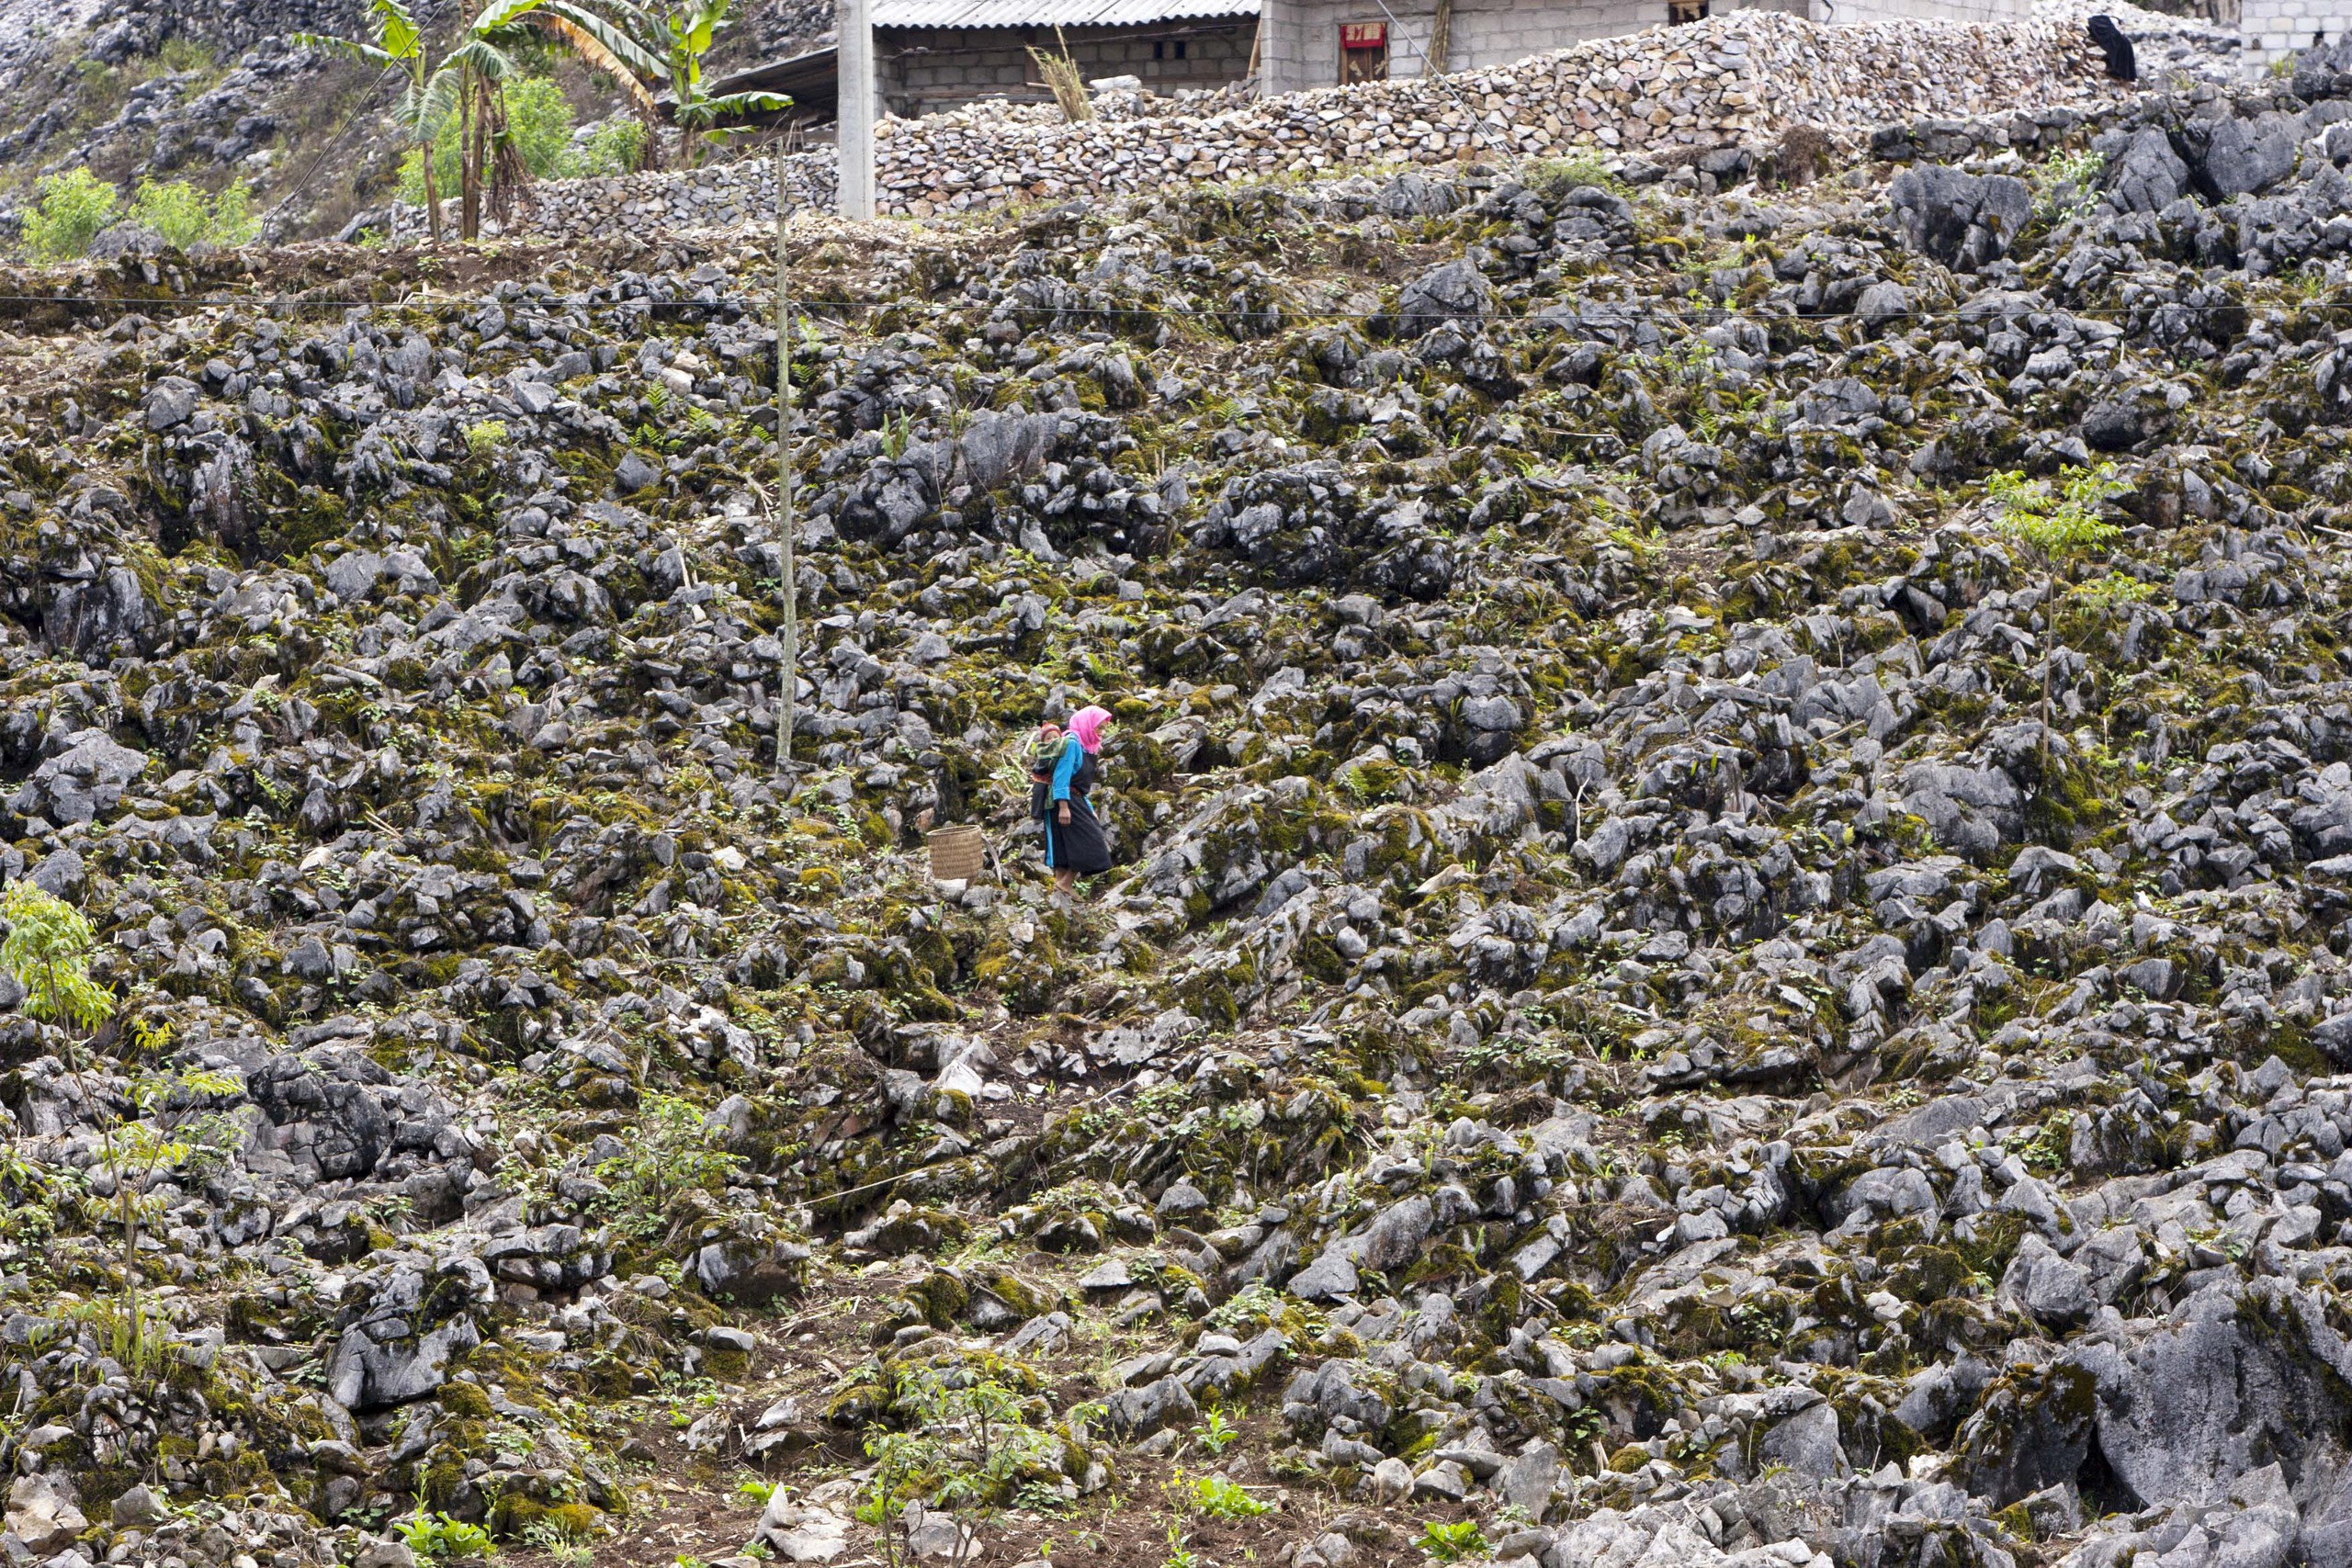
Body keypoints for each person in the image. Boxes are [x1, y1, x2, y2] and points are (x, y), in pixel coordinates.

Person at [1046, 705, 1114, 894]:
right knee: (1092, 840)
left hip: (1076, 798)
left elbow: (1082, 784)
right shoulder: (1073, 743)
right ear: (1088, 724)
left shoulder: (1089, 746)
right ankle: (1065, 883)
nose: (1102, 732)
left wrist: (1089, 806)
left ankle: (1059, 890)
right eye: (1099, 727)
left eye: (1104, 728)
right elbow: (1061, 776)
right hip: (1065, 799)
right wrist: (1063, 806)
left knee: (1065, 843)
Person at [1026, 720, 1064, 845]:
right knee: (1039, 791)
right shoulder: (1043, 751)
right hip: (1043, 780)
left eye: (1055, 737)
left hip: (1054, 783)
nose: (1052, 740)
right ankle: (1036, 814)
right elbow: (1041, 768)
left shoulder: (1063, 749)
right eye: (1048, 738)